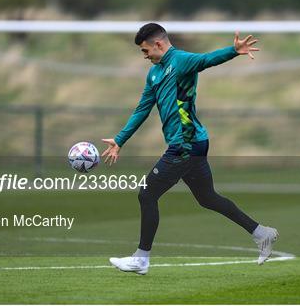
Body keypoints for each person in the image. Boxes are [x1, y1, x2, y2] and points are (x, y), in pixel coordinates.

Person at [101, 23, 278, 275]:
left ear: (159, 44)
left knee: (147, 195)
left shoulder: (181, 60)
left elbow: (206, 60)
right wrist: (120, 140)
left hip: (186, 144)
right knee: (207, 198)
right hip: (193, 143)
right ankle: (262, 233)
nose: (145, 56)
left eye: (145, 50)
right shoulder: (153, 74)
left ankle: (141, 258)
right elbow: (142, 109)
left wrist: (233, 50)